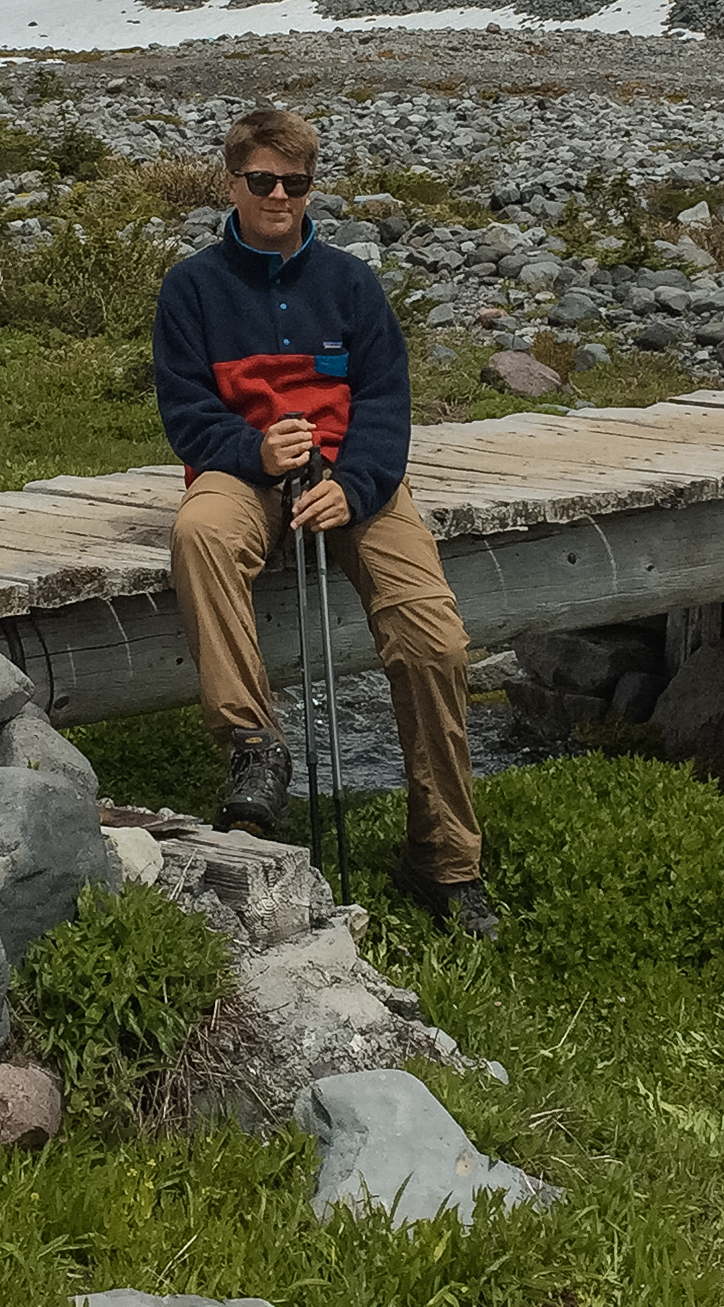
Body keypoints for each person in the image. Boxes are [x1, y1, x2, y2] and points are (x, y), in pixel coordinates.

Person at [152, 106, 496, 939]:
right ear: (231, 182)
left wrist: (357, 486)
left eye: (295, 183)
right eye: (262, 181)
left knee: (432, 639)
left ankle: (444, 857)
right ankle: (254, 749)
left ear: (311, 187)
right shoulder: (192, 288)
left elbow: (384, 406)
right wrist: (253, 451)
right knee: (199, 534)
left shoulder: (351, 284)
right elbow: (186, 413)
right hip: (242, 473)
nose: (278, 196)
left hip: (352, 483)